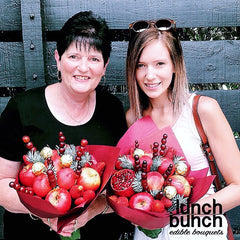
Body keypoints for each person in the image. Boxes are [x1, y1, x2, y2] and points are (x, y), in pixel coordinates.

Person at [0, 11, 134, 239]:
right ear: (57, 58)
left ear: (105, 66)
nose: (83, 68)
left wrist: (93, 209)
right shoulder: (23, 108)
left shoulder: (112, 110)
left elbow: (120, 187)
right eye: (73, 57)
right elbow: (3, 183)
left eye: (94, 59)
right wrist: (44, 211)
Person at [125, 18, 240, 239]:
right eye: (141, 65)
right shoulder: (132, 117)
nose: (150, 75)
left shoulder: (202, 109)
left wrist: (188, 213)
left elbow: (238, 187)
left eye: (160, 64)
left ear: (175, 64)